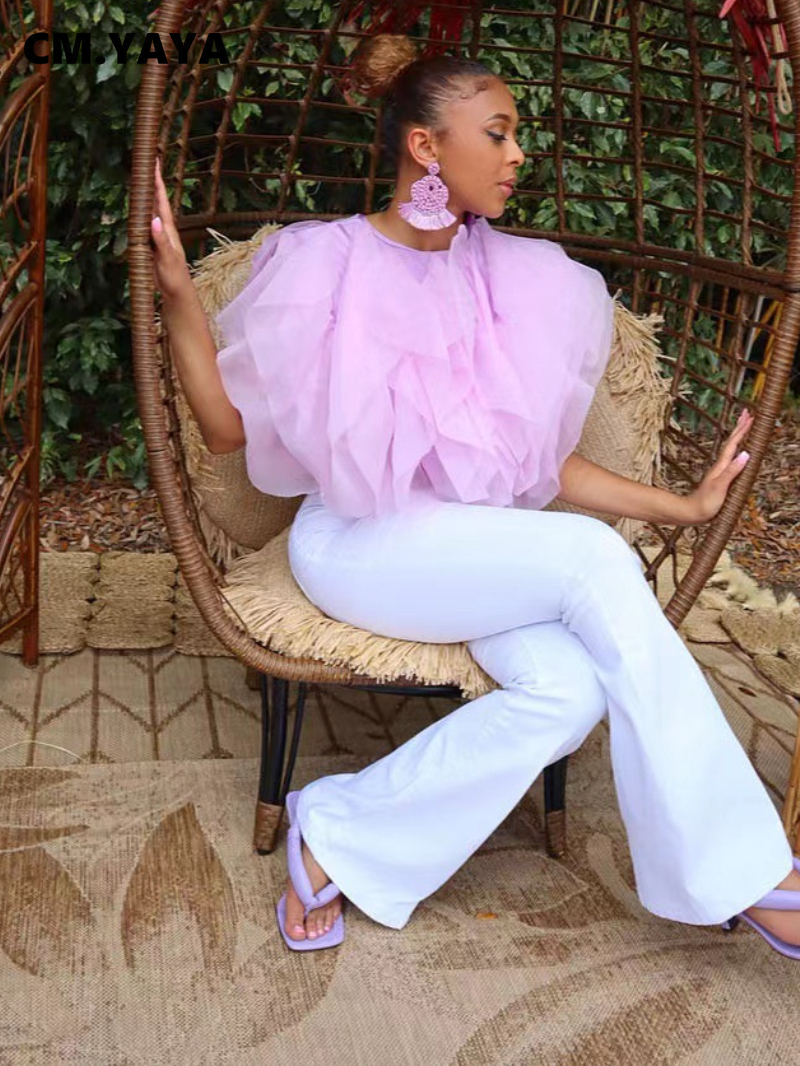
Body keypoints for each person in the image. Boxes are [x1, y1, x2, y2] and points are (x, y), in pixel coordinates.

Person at [150, 34, 800, 958]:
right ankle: (747, 874)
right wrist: (178, 291)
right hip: (357, 546)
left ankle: (336, 834)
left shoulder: (513, 279)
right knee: (591, 557)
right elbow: (225, 429)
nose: (517, 154)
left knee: (567, 692)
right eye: (496, 133)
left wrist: (685, 510)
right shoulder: (321, 262)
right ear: (426, 146)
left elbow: (540, 470)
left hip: (467, 549)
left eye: (516, 135)